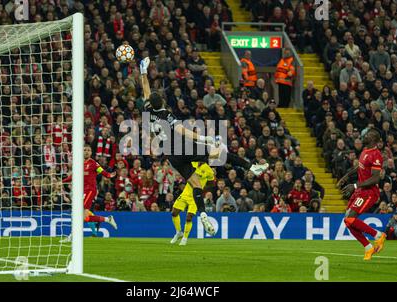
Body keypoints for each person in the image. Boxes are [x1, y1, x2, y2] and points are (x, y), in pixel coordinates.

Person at [139, 57, 267, 236]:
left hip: (171, 156)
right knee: (220, 153)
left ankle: (203, 215)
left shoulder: (147, 109)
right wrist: (204, 138)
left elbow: (146, 91)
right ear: (162, 103)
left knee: (195, 183)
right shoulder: (166, 114)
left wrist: (143, 72)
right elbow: (183, 131)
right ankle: (253, 168)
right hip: (182, 146)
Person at [337, 129, 386, 260]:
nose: (365, 136)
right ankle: (368, 248)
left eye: (368, 135)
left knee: (350, 219)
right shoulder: (365, 151)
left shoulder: (376, 155)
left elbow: (376, 178)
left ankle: (378, 235)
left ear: (374, 139)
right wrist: (346, 176)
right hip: (360, 191)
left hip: (369, 192)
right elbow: (360, 167)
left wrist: (354, 185)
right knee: (347, 222)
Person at [61, 145, 117, 242]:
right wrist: (63, 181)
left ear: (91, 153)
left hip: (90, 190)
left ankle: (71, 236)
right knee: (84, 217)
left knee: (79, 214)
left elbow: (103, 172)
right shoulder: (79, 163)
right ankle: (108, 219)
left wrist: (110, 175)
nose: (86, 152)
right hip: (81, 192)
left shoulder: (93, 163)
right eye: (85, 150)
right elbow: (73, 176)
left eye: (88, 150)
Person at [170, 162, 215, 246]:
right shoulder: (192, 164)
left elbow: (212, 183)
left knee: (189, 217)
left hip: (195, 197)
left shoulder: (208, 170)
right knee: (174, 212)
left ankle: (185, 238)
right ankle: (179, 232)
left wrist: (201, 188)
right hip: (185, 194)